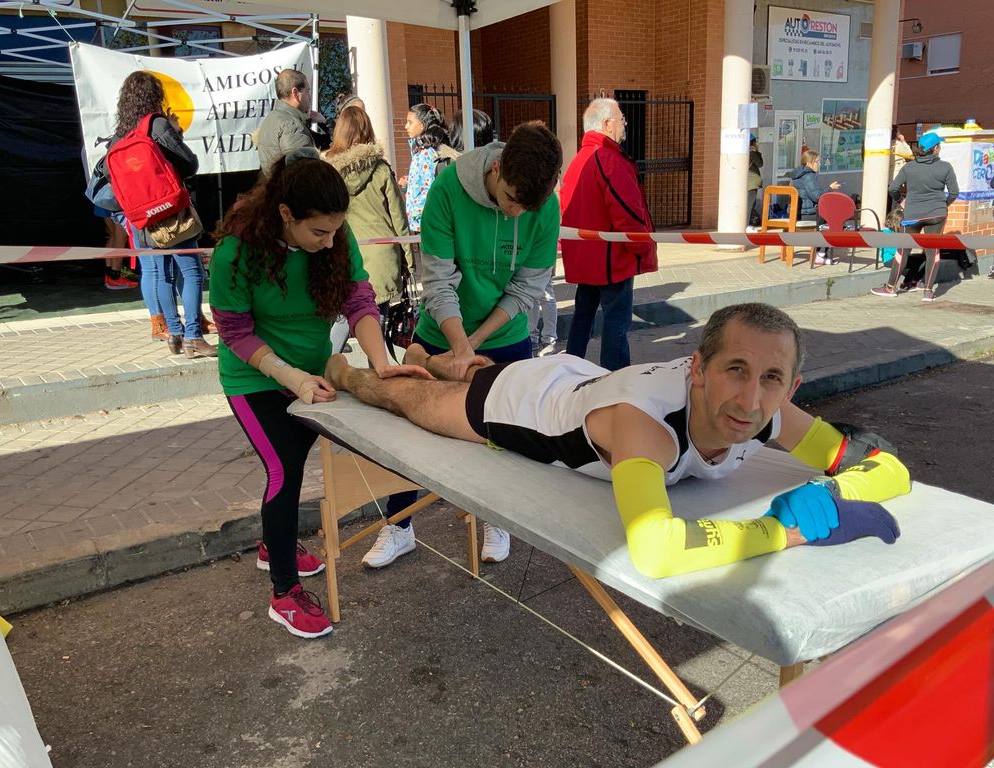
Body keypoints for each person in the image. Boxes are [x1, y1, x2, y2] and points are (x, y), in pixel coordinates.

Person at [324, 302, 910, 579]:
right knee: (404, 400)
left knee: (466, 369)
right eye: (736, 369)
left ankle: (427, 356)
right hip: (523, 406)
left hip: (585, 380)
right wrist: (784, 530)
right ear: (698, 368)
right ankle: (347, 371)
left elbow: (892, 470)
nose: (751, 400)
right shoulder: (645, 426)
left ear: (790, 385)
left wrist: (838, 495)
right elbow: (655, 549)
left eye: (772, 380)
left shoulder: (768, 409)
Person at [208, 152, 428, 639]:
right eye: (319, 234)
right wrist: (293, 378)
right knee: (283, 468)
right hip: (255, 376)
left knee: (301, 454)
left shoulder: (333, 234)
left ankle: (274, 543)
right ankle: (284, 593)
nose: (330, 241)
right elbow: (235, 333)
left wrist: (382, 365)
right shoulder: (236, 252)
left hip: (310, 370)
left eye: (335, 232)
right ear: (285, 214)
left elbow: (358, 299)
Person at [359, 121, 563, 570]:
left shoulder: (543, 207)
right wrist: (454, 348)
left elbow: (527, 287)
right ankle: (399, 525)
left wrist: (471, 347)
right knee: (409, 434)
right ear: (497, 170)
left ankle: (497, 517)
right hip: (438, 331)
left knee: (500, 438)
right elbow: (438, 280)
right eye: (511, 200)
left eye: (526, 208)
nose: (515, 215)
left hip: (503, 338)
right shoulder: (448, 190)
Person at [109, 71, 216, 358]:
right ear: (155, 96)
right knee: (192, 273)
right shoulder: (156, 125)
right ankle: (194, 336)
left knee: (161, 274)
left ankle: (174, 334)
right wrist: (174, 133)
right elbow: (189, 163)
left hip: (140, 218)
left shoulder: (120, 133)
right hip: (170, 214)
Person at [561, 98, 656, 371]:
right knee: (616, 323)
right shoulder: (609, 159)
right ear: (606, 124)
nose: (624, 123)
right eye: (621, 118)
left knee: (583, 318)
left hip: (587, 259)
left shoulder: (579, 160)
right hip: (612, 260)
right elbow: (629, 213)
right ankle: (615, 380)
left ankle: (569, 369)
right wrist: (642, 249)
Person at [324, 105, 413, 309]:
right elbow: (399, 219)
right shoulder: (381, 169)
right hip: (381, 258)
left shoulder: (327, 173)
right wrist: (409, 262)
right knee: (375, 325)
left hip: (343, 256)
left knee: (341, 327)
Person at [871, 131, 960, 302]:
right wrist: (943, 205)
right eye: (939, 145)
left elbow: (893, 189)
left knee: (902, 250)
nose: (939, 147)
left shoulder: (909, 167)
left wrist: (902, 201)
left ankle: (890, 288)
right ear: (935, 148)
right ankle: (927, 291)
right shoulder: (945, 167)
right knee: (932, 252)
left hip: (912, 214)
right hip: (936, 214)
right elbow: (954, 192)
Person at [256, 69, 327, 176]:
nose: (309, 96)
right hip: (291, 191)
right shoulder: (291, 125)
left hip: (278, 189)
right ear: (295, 93)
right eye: (307, 91)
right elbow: (305, 176)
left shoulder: (272, 118)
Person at [401, 103, 449, 233]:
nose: (406, 126)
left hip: (425, 222)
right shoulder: (421, 152)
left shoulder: (426, 154)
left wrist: (418, 213)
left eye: (410, 122)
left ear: (422, 125)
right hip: (422, 221)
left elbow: (430, 188)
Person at [790, 150, 841, 266]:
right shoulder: (808, 176)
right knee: (833, 222)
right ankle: (820, 255)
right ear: (809, 163)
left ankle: (820, 253)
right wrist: (829, 188)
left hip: (800, 212)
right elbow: (817, 196)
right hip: (808, 214)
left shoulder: (798, 174)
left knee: (830, 218)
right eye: (817, 161)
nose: (819, 164)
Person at [747, 134, 764, 230]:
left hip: (746, 182)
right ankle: (746, 225)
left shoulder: (743, 152)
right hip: (751, 183)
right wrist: (756, 151)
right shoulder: (752, 152)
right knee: (749, 205)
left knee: (748, 204)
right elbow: (760, 163)